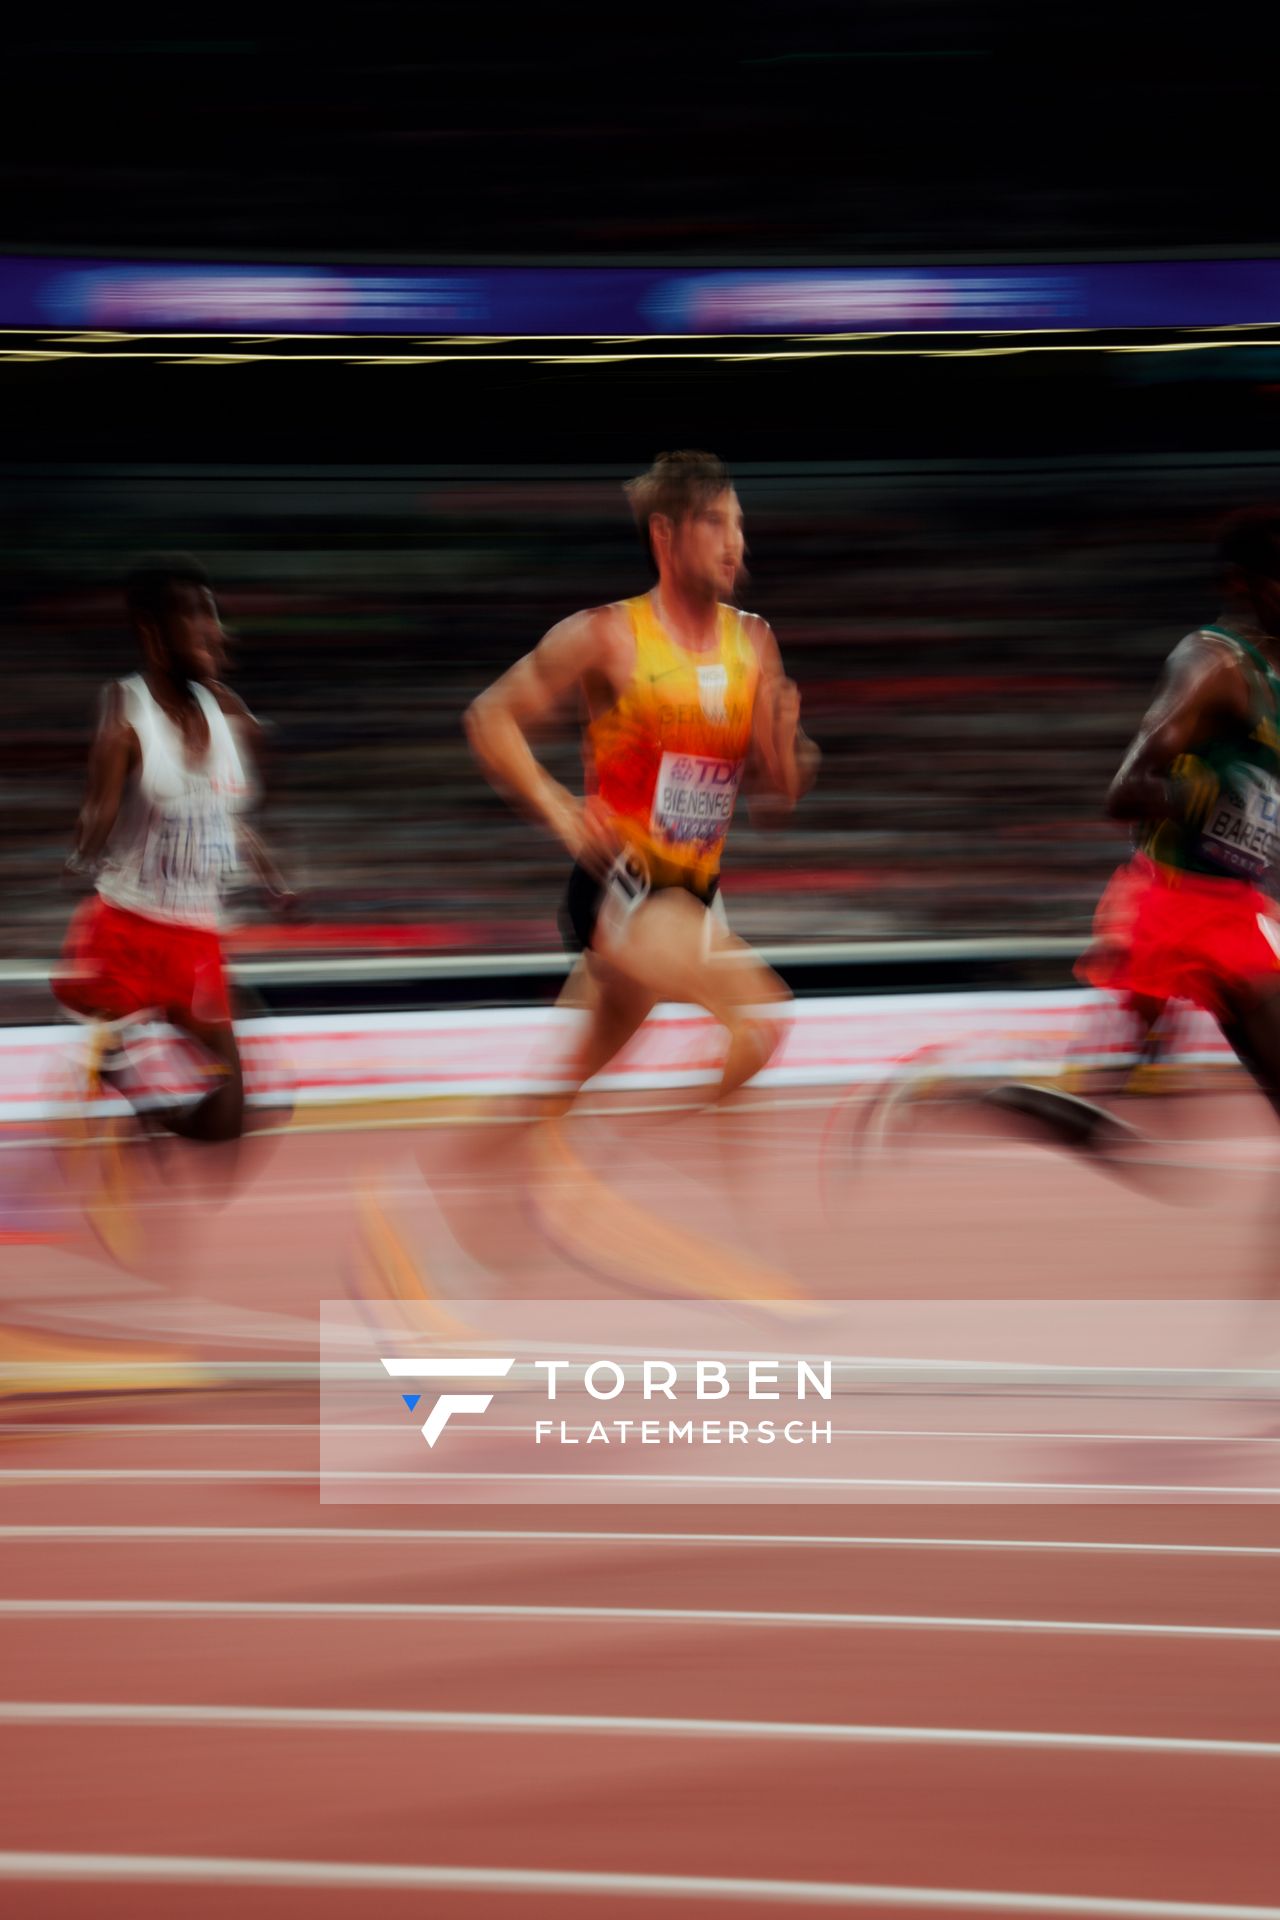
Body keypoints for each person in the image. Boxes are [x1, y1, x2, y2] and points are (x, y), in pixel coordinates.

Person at [465, 451, 819, 1109]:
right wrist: (557, 805)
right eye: (715, 523)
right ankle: (664, 1155)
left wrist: (785, 749)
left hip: (696, 897)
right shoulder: (608, 635)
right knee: (760, 1019)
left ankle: (448, 1182)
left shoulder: (754, 642)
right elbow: (489, 717)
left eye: (739, 524)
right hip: (623, 889)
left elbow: (776, 803)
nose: (735, 542)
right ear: (665, 535)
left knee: (558, 1087)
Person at [991, 507, 1280, 1159]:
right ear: (1242, 584)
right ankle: (962, 1092)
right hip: (1172, 906)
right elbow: (1123, 790)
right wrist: (1191, 795)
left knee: (1107, 1127)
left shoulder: (1273, 682)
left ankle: (982, 1091)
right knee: (1100, 1124)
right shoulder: (1212, 664)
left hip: (1234, 912)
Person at [53, 555, 287, 1143]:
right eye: (197, 617)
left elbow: (223, 814)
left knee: (235, 1113)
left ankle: (146, 1108)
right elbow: (99, 808)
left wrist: (273, 877)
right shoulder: (125, 714)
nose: (215, 631)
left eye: (215, 616)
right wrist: (81, 855)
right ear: (153, 634)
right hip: (129, 927)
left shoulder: (230, 713)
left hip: (195, 938)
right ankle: (121, 1064)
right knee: (152, 1044)